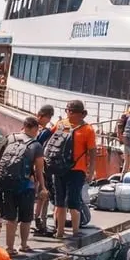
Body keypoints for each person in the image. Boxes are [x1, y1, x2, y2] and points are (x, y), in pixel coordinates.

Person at [0, 116, 45, 254]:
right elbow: (39, 170)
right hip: (26, 186)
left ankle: (9, 248)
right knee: (26, 218)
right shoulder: (36, 145)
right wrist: (42, 187)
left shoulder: (10, 138)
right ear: (34, 128)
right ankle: (23, 245)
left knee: (11, 218)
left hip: (6, 183)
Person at [52, 100, 96, 240]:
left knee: (62, 202)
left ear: (70, 112)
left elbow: (49, 143)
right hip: (77, 169)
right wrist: (90, 171)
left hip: (60, 168)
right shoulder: (87, 129)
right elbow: (92, 153)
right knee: (72, 202)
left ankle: (60, 232)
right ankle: (75, 232)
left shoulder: (60, 124)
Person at [32, 104, 57, 235]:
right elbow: (39, 142)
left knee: (40, 196)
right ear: (42, 116)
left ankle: (38, 221)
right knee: (43, 195)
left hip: (33, 166)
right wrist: (52, 129)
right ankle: (40, 222)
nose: (48, 121)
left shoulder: (30, 126)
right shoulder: (41, 130)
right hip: (38, 166)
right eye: (48, 118)